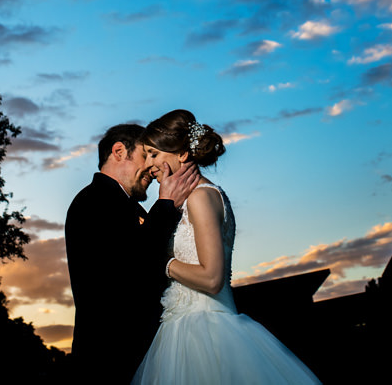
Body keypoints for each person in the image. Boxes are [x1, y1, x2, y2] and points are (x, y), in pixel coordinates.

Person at [132, 110, 321, 384]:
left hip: (206, 330)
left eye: (153, 154)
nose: (148, 164)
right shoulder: (190, 200)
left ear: (182, 155)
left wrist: (162, 261)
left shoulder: (201, 197)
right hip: (182, 328)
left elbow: (211, 278)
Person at [65, 123, 200, 384]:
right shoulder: (92, 201)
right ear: (119, 151)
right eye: (145, 155)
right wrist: (165, 205)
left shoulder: (127, 206)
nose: (152, 167)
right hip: (110, 363)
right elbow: (133, 266)